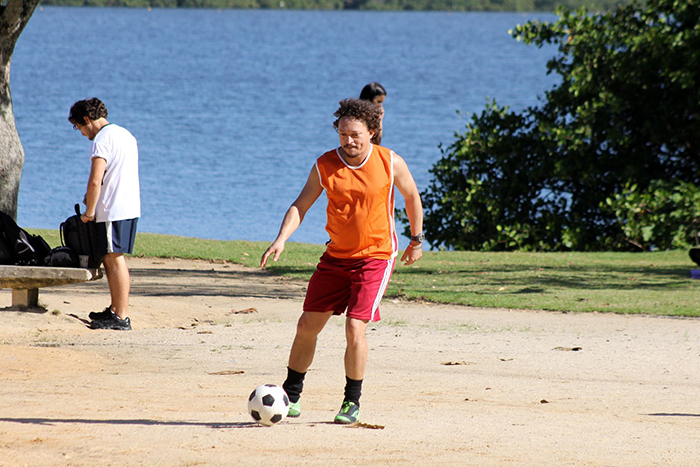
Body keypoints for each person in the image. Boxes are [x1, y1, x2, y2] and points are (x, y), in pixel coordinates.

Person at [260, 98, 424, 424]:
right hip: (335, 258)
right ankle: (291, 395)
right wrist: (281, 239)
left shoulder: (390, 162)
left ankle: (352, 401)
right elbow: (301, 205)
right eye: (342, 133)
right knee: (306, 325)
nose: (348, 141)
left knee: (354, 327)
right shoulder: (324, 165)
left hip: (375, 257)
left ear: (372, 132)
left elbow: (411, 197)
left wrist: (416, 240)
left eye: (355, 135)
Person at [68, 98, 141, 331]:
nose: (80, 133)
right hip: (128, 205)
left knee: (114, 259)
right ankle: (115, 309)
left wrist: (89, 212)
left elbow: (96, 179)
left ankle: (121, 317)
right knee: (111, 258)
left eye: (78, 127)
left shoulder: (102, 139)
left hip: (112, 209)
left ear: (87, 120)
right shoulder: (125, 134)